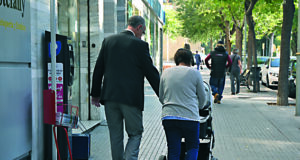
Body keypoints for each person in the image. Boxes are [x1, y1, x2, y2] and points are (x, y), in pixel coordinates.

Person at [90, 15, 160, 160]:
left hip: (109, 98)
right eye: (144, 31)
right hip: (130, 99)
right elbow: (151, 73)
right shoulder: (140, 45)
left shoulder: (108, 41)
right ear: (139, 27)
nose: (143, 35)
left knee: (115, 137)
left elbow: (98, 69)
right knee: (135, 133)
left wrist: (95, 94)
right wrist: (163, 95)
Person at [159, 48, 207, 160]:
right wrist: (198, 108)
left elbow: (161, 97)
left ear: (176, 60)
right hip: (190, 117)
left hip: (169, 117)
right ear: (190, 60)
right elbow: (203, 98)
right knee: (193, 147)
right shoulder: (195, 73)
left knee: (173, 149)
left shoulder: (166, 73)